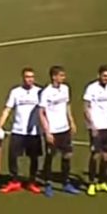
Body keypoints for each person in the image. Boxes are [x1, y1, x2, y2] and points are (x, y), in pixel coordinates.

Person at [0, 67, 43, 194]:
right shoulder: (15, 92)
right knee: (13, 156)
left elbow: (45, 111)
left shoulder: (40, 92)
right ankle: (15, 181)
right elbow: (7, 109)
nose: (30, 79)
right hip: (18, 130)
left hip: (34, 132)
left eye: (32, 77)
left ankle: (32, 181)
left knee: (34, 158)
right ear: (23, 78)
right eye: (27, 77)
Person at [39, 65, 80, 196]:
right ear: (54, 76)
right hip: (53, 130)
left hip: (64, 129)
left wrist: (71, 121)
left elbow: (67, 105)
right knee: (50, 156)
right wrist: (47, 131)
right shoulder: (46, 92)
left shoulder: (65, 89)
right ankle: (48, 183)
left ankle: (66, 181)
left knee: (67, 155)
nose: (64, 77)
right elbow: (41, 113)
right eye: (61, 75)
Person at [83, 64, 107, 196]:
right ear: (99, 75)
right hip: (96, 126)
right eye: (104, 76)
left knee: (106, 155)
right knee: (95, 155)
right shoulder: (91, 88)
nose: (106, 78)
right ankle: (92, 183)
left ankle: (102, 182)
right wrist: (92, 125)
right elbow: (86, 107)